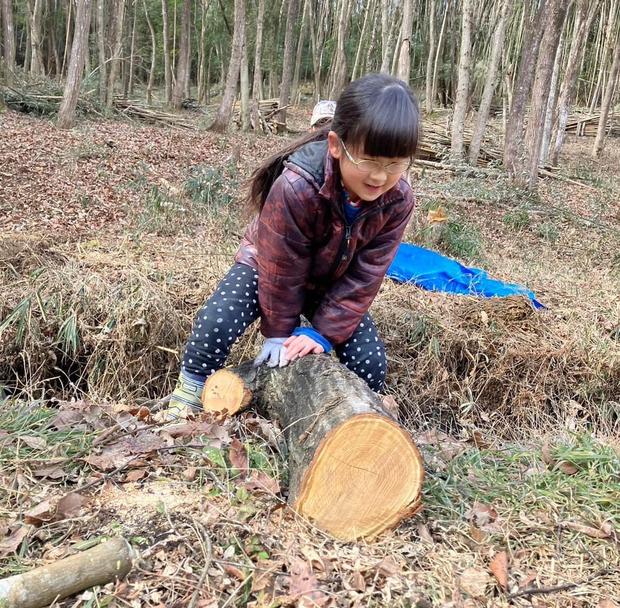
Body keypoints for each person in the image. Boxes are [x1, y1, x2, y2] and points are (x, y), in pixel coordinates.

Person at [167, 73, 420, 417]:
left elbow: (367, 275)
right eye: (369, 162)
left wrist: (323, 334)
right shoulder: (298, 186)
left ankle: (353, 415)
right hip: (266, 266)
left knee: (370, 361)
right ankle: (190, 390)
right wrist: (279, 331)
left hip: (332, 282)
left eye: (394, 165)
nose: (379, 177)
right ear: (336, 145)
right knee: (216, 324)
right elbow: (280, 268)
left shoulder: (398, 201)